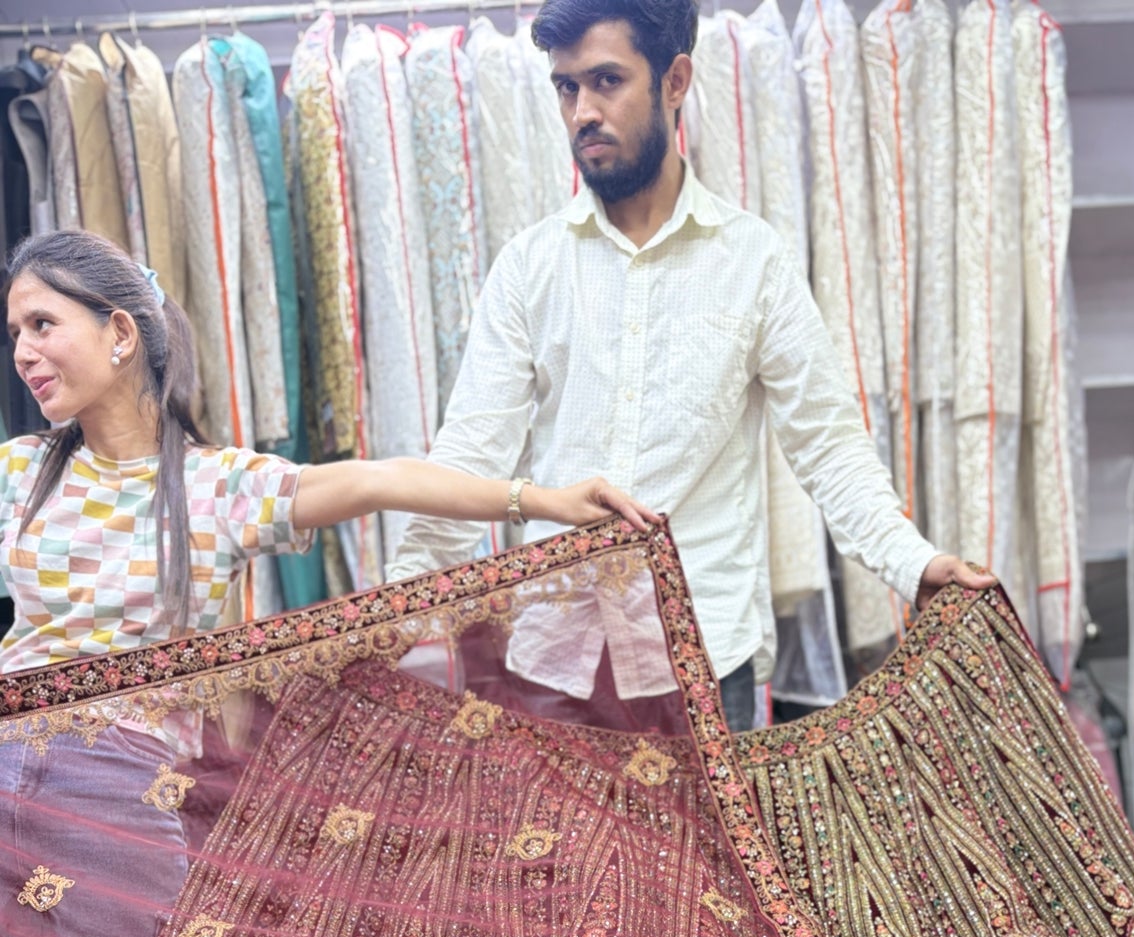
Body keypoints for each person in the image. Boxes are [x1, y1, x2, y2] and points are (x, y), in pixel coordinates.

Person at [0, 229, 654, 937]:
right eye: (16, 331)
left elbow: (381, 480)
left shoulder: (218, 488)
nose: (23, 351)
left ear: (120, 333)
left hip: (115, 793)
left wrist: (546, 500)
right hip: (4, 764)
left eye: (42, 324)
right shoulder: (19, 473)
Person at [387, 0, 992, 733]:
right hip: (553, 668)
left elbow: (828, 448)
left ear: (675, 81)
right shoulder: (528, 269)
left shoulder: (753, 262)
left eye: (606, 80)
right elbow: (468, 456)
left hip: (705, 663)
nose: (582, 111)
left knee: (716, 856)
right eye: (566, 87)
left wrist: (913, 562)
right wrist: (388, 614)